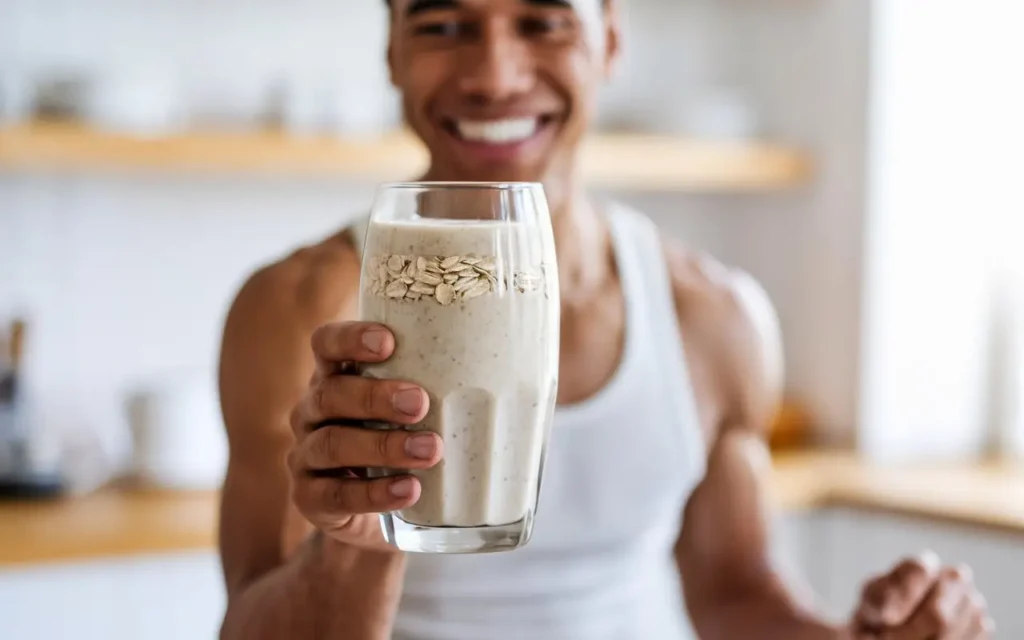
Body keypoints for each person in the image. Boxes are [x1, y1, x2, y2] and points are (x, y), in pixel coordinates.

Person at [216, 1, 994, 638]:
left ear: (610, 38)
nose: (493, 76)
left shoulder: (714, 315)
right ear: (390, 50)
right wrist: (351, 553)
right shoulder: (298, 312)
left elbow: (732, 592)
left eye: (543, 22)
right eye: (442, 26)